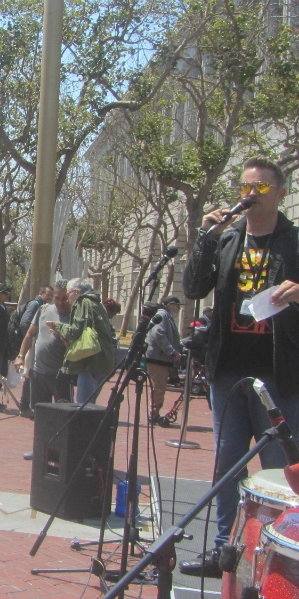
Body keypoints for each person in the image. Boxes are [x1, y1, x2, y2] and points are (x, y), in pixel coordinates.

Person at [180, 155, 299, 577]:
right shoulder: (228, 238)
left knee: (277, 470)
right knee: (227, 463)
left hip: (279, 374)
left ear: (281, 193)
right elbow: (193, 287)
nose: (251, 194)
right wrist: (205, 239)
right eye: (246, 187)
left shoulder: (295, 241)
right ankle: (221, 552)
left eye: (262, 187)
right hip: (228, 372)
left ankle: (269, 558)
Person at [14, 280, 72, 459]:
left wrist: (62, 335)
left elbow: (75, 346)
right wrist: (21, 356)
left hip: (61, 374)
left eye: (64, 298)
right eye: (57, 298)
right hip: (39, 372)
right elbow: (31, 334)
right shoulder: (43, 310)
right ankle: (40, 449)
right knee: (40, 415)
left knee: (63, 415)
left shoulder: (74, 315)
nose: (60, 303)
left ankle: (60, 452)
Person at [47, 278, 114, 405]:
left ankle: (83, 425)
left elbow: (75, 331)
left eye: (68, 295)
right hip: (104, 361)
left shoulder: (82, 302)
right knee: (90, 404)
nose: (67, 299)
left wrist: (58, 326)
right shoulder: (97, 304)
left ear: (77, 292)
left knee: (83, 407)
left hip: (90, 361)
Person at [18, 285, 54, 417]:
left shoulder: (43, 306)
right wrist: (31, 339)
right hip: (32, 345)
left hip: (34, 345)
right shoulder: (36, 305)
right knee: (29, 373)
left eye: (51, 295)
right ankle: (24, 405)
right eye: (48, 295)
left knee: (30, 374)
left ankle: (25, 405)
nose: (49, 298)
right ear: (41, 293)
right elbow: (25, 324)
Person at [145, 295, 183, 423]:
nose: (178, 308)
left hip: (161, 358)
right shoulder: (162, 315)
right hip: (158, 358)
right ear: (169, 305)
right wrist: (172, 352)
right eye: (176, 305)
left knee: (159, 387)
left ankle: (154, 412)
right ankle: (153, 414)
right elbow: (159, 335)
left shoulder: (167, 317)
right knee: (158, 387)